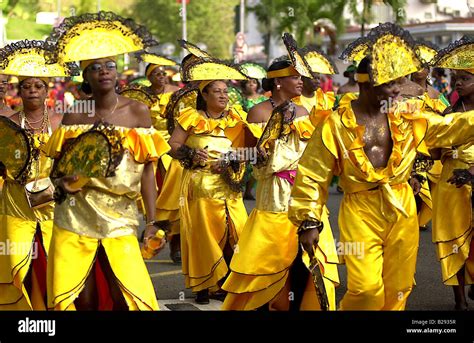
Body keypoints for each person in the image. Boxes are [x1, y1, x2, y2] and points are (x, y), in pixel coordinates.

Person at [288, 23, 474, 310]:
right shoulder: (336, 125)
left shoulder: (408, 116)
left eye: (399, 81)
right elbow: (313, 174)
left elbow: (450, 128)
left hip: (401, 207)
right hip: (360, 209)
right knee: (366, 290)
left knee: (399, 288)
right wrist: (309, 219)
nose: (399, 89)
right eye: (390, 83)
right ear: (365, 84)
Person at [43, 11, 168, 310]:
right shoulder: (75, 115)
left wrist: (151, 220)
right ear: (85, 76)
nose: (104, 72)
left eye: (110, 66)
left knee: (124, 292)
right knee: (78, 296)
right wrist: (61, 183)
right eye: (96, 67)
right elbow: (57, 170)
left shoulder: (138, 112)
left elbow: (148, 171)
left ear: (117, 72)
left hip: (120, 214)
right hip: (75, 214)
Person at [222, 59, 339, 311]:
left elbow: (313, 155)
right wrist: (257, 152)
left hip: (302, 194)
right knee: (267, 260)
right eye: (295, 77)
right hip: (272, 195)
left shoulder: (304, 113)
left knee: (304, 258)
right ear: (277, 82)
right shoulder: (259, 113)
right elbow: (237, 154)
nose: (300, 81)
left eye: (301, 77)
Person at [168, 58, 253, 304]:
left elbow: (251, 150)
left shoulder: (236, 117)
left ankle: (226, 282)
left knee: (236, 232)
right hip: (200, 185)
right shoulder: (191, 117)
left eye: (226, 91)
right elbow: (173, 146)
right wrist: (192, 154)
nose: (224, 96)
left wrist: (233, 157)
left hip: (230, 186)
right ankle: (203, 285)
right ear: (204, 95)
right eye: (217, 91)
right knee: (204, 236)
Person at [0, 40, 68, 310]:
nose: (32, 91)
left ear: (48, 91)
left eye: (38, 86)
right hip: (16, 201)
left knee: (55, 260)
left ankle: (52, 307)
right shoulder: (8, 125)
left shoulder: (60, 122)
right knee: (16, 259)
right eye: (26, 86)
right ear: (18, 91)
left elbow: (71, 162)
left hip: (52, 202)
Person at [431, 36, 474, 310]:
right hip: (450, 182)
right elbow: (435, 151)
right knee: (452, 239)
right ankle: (458, 301)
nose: (458, 83)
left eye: (465, 78)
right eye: (456, 78)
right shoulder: (447, 112)